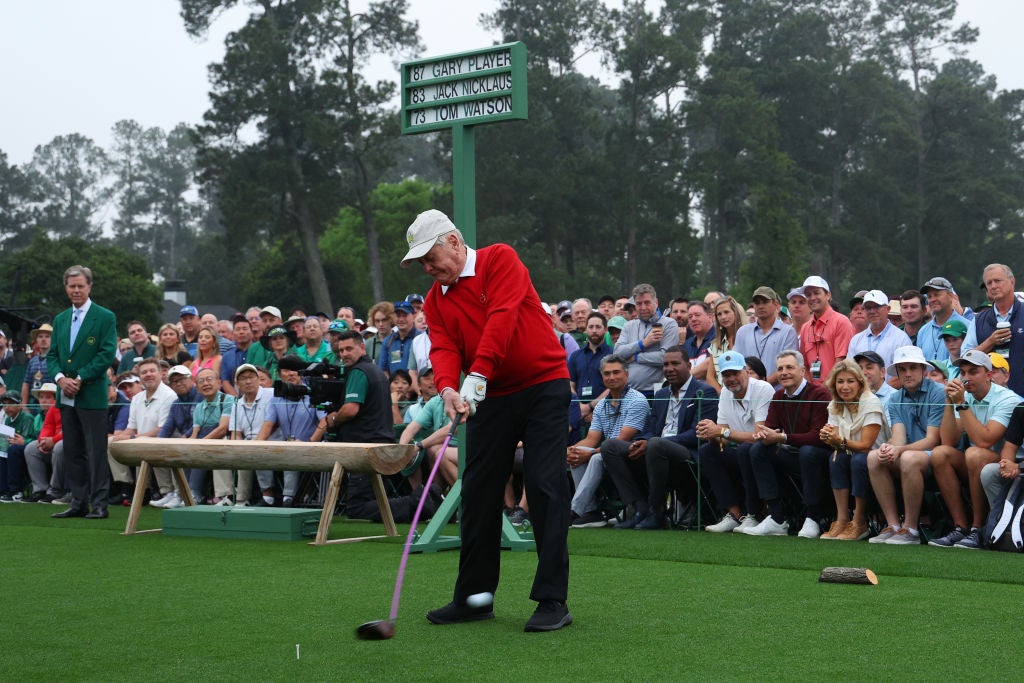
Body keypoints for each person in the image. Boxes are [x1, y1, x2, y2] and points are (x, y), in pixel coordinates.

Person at [402, 208, 572, 632]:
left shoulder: (500, 259)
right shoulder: (433, 299)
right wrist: (447, 388)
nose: (427, 268)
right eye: (420, 262)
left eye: (430, 257)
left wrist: (477, 374)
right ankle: (475, 599)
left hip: (543, 385)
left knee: (545, 484)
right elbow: (442, 347)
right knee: (477, 489)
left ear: (455, 242)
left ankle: (553, 600)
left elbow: (503, 317)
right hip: (492, 396)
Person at [603, 346, 718, 530]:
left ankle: (657, 512)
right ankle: (640, 508)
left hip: (687, 454)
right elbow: (651, 430)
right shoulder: (661, 394)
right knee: (610, 446)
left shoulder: (704, 392)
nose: (669, 368)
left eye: (675, 364)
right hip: (654, 450)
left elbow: (697, 433)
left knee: (656, 444)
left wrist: (653, 442)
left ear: (688, 365)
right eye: (665, 365)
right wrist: (642, 442)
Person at [927, 349, 1023, 549]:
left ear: (988, 375)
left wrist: (961, 403)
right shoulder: (964, 395)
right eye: (962, 373)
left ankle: (977, 529)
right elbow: (948, 440)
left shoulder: (1008, 399)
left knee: (974, 453)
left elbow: (985, 440)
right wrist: (949, 401)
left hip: (1010, 465)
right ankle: (960, 527)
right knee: (940, 454)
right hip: (978, 463)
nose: (966, 377)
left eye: (973, 372)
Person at [45, 265, 118, 519]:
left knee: (95, 451)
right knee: (72, 450)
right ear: (66, 288)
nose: (76, 290)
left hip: (91, 395)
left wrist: (79, 378)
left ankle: (100, 504)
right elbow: (52, 355)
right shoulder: (61, 319)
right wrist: (60, 379)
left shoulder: (105, 316)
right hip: (65, 395)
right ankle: (78, 502)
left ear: (89, 287)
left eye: (80, 286)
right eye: (72, 286)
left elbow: (106, 353)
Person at [743, 349, 832, 538]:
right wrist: (765, 434)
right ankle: (776, 518)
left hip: (820, 457)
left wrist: (782, 437)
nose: (784, 373)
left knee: (809, 451)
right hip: (792, 454)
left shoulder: (819, 394)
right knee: (757, 449)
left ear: (802, 370)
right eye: (780, 369)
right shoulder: (778, 395)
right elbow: (770, 427)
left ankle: (813, 518)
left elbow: (818, 436)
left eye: (789, 367)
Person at [866, 345, 946, 544]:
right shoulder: (895, 398)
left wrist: (899, 449)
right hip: (911, 453)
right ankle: (894, 525)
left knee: (908, 458)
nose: (908, 373)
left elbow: (932, 440)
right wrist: (889, 447)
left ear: (923, 370)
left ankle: (910, 528)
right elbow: (899, 436)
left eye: (913, 368)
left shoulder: (938, 392)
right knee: (874, 456)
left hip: (937, 454)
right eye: (902, 369)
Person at [319, 330, 397, 519]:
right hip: (379, 445)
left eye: (348, 349)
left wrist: (333, 419)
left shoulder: (359, 372)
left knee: (357, 508)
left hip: (364, 449)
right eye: (341, 350)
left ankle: (420, 501)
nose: (344, 354)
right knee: (377, 501)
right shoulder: (375, 370)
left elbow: (351, 409)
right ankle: (419, 501)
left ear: (361, 347)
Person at [567, 356, 651, 527]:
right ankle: (591, 511)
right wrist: (572, 450)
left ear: (626, 375)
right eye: (607, 374)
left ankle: (574, 510)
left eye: (616, 372)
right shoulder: (600, 406)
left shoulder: (637, 400)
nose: (611, 377)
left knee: (596, 457)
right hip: (608, 453)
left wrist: (589, 453)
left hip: (633, 454)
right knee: (576, 454)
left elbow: (622, 439)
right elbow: (592, 439)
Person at [696, 351, 774, 533]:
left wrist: (721, 431)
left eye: (735, 373)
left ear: (746, 371)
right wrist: (709, 432)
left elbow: (759, 434)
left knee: (746, 449)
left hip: (764, 452)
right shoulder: (725, 391)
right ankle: (735, 514)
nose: (731, 379)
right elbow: (722, 436)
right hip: (741, 451)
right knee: (708, 450)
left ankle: (753, 514)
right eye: (726, 375)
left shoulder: (763, 388)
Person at [817, 360, 889, 541]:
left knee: (858, 460)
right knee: (836, 459)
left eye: (850, 381)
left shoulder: (871, 402)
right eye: (840, 381)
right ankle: (842, 520)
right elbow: (835, 441)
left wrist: (838, 441)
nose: (845, 386)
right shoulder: (835, 404)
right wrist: (826, 436)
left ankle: (859, 522)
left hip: (878, 457)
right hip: (849, 453)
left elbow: (866, 445)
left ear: (859, 383)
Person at [963, 264, 1024, 396]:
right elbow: (965, 358)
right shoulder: (978, 321)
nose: (993, 286)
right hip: (989, 400)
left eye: (997, 281)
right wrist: (990, 342)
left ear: (1012, 282)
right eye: (989, 283)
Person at [613, 284, 679, 396]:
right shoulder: (629, 326)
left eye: (647, 303)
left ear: (656, 302)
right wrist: (642, 343)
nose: (643, 307)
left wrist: (636, 357)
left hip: (657, 393)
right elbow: (617, 353)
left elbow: (666, 357)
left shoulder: (669, 324)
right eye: (639, 304)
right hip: (629, 392)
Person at [186, 367, 235, 505]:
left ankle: (225, 495)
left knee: (218, 447)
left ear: (219, 382)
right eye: (201, 381)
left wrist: (201, 443)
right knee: (183, 454)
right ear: (197, 386)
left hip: (226, 440)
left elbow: (222, 429)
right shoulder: (198, 407)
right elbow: (194, 433)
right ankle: (188, 492)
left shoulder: (228, 400)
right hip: (205, 441)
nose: (205, 384)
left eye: (209, 379)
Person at [734, 286, 798, 388]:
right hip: (747, 394)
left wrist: (760, 387)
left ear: (776, 304)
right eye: (757, 303)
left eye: (765, 302)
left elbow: (787, 366)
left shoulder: (788, 332)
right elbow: (737, 364)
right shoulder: (742, 332)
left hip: (776, 395)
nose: (760, 306)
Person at [798, 276, 855, 383]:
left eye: (816, 292)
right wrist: (812, 391)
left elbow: (841, 362)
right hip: (814, 395)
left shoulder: (841, 322)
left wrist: (824, 390)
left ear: (828, 295)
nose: (812, 297)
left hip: (837, 392)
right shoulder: (805, 328)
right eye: (808, 295)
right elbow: (804, 364)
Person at [846, 289, 912, 368]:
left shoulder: (901, 339)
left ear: (888, 309)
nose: (872, 311)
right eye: (868, 308)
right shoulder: (856, 340)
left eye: (877, 307)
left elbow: (904, 373)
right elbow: (850, 370)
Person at [568, 312, 612, 428]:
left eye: (598, 327)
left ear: (605, 330)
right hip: (578, 415)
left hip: (606, 413)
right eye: (591, 327)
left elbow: (613, 387)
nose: (594, 330)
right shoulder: (575, 356)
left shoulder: (612, 355)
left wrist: (590, 407)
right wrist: (579, 407)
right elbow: (570, 384)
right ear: (585, 329)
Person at [24, 383, 65, 503]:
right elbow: (47, 426)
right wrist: (43, 441)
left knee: (59, 447)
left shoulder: (67, 406)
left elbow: (70, 430)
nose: (44, 400)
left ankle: (56, 490)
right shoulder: (51, 409)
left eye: (48, 397)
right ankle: (40, 489)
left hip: (66, 443)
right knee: (31, 448)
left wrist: (52, 440)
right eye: (41, 397)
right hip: (53, 441)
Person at [917, 276, 968, 362]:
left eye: (937, 294)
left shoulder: (967, 326)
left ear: (951, 296)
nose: (932, 299)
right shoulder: (923, 331)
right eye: (929, 296)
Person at [0, 392, 39, 502]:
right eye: (4, 404)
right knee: (2, 452)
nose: (7, 407)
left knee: (13, 450)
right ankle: (3, 490)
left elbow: (33, 439)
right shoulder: (8, 420)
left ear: (19, 404)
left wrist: (24, 441)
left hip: (25, 451)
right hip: (13, 450)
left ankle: (16, 490)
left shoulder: (27, 418)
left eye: (10, 404)